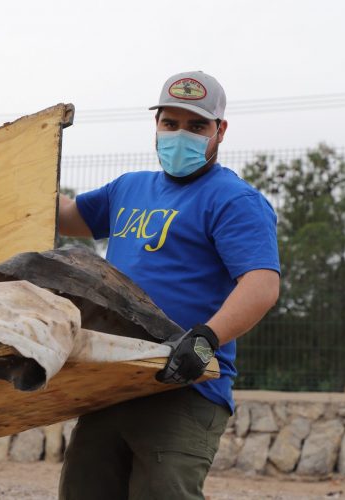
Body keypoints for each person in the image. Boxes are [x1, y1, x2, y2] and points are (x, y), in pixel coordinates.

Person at [57, 70, 281, 500]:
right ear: (156, 124)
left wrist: (205, 339)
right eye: (170, 123)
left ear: (220, 131)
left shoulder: (234, 200)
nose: (181, 135)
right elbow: (67, 218)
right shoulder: (129, 188)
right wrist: (11, 172)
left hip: (184, 384)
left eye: (197, 126)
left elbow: (261, 284)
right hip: (112, 379)